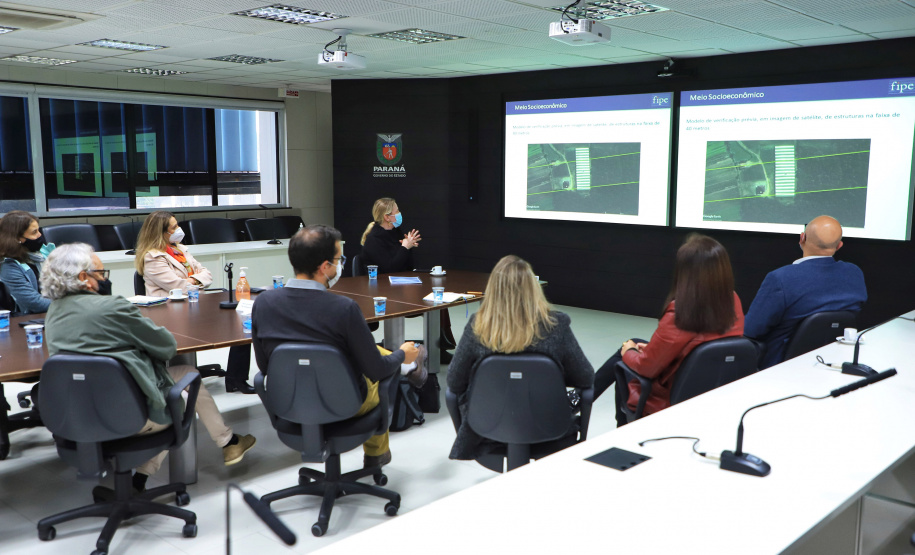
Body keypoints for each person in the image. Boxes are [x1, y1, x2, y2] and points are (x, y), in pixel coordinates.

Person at [42, 243, 255, 493]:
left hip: (76, 414)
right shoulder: (112, 307)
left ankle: (146, 477)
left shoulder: (53, 312)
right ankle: (222, 443)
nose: (104, 279)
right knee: (183, 389)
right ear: (83, 278)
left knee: (187, 375)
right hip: (128, 413)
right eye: (101, 274)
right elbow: (166, 348)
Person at [252, 224, 420, 468]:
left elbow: (265, 365)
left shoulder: (263, 303)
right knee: (382, 368)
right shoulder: (344, 308)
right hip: (346, 402)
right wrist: (402, 355)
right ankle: (376, 455)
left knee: (369, 355)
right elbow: (376, 370)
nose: (341, 264)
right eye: (339, 259)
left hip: (286, 400)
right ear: (324, 267)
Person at [447, 255, 594, 460]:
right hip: (550, 427)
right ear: (534, 289)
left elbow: (454, 383)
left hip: (485, 429)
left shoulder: (477, 326)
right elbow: (586, 378)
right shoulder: (556, 325)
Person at [592, 234, 745, 426]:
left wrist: (629, 352)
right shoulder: (733, 300)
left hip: (671, 396)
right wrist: (645, 350)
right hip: (710, 389)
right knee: (634, 342)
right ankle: (581, 400)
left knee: (622, 359)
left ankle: (608, 420)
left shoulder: (682, 310)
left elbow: (648, 368)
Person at [135, 211, 255, 394]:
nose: (178, 230)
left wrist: (192, 280)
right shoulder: (153, 257)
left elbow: (207, 274)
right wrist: (194, 280)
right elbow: (178, 286)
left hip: (195, 304)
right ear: (160, 233)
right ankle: (183, 375)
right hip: (171, 313)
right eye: (173, 227)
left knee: (239, 321)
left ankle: (236, 379)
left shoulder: (180, 249)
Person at [744, 215, 867, 369]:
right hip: (830, 362)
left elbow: (752, 330)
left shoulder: (781, 278)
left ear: (802, 238)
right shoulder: (854, 274)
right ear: (839, 246)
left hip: (777, 367)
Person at [360, 197, 456, 362]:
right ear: (387, 217)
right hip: (384, 292)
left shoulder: (395, 232)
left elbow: (407, 266)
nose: (399, 214)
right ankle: (439, 346)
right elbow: (390, 268)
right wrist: (404, 247)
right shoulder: (374, 239)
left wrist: (408, 247)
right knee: (430, 301)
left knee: (437, 298)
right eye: (396, 211)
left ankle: (440, 345)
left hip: (401, 285)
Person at [0, 211, 55, 315]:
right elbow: (35, 303)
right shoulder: (8, 267)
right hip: (25, 321)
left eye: (38, 230)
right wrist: (68, 304)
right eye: (34, 232)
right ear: (17, 238)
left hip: (48, 313)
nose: (40, 235)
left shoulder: (37, 256)